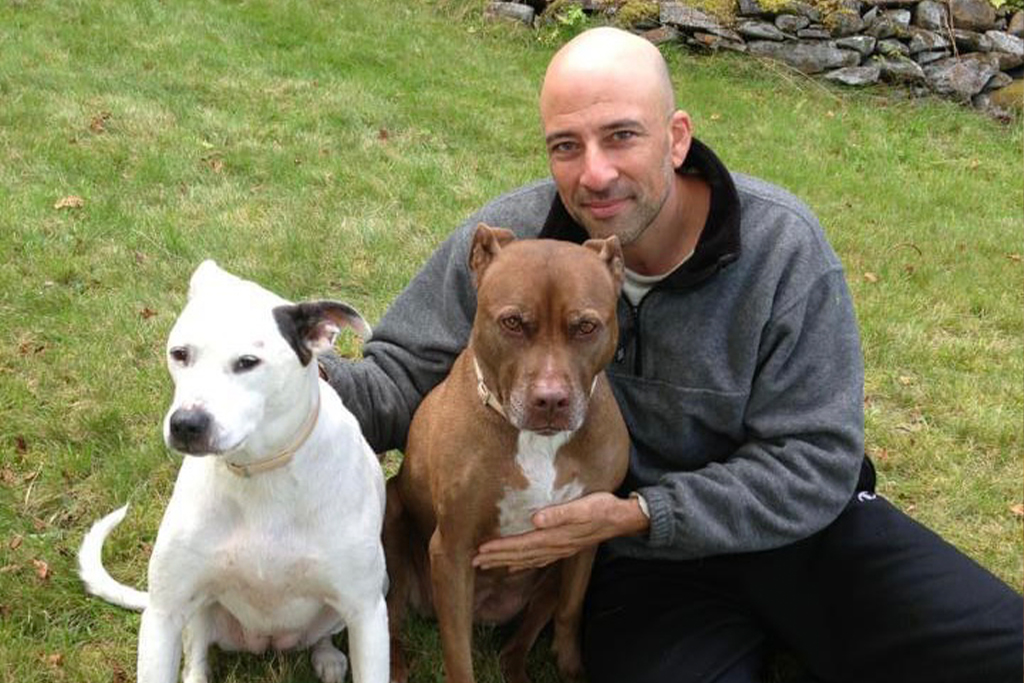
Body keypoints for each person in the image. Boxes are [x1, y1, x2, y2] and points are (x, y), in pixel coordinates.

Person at [320, 26, 1023, 683]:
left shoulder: (783, 251)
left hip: (795, 534)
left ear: (676, 137)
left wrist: (646, 510)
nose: (594, 173)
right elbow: (397, 381)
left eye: (621, 135)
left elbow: (818, 460)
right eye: (566, 145)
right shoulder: (512, 249)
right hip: (644, 572)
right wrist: (275, 372)